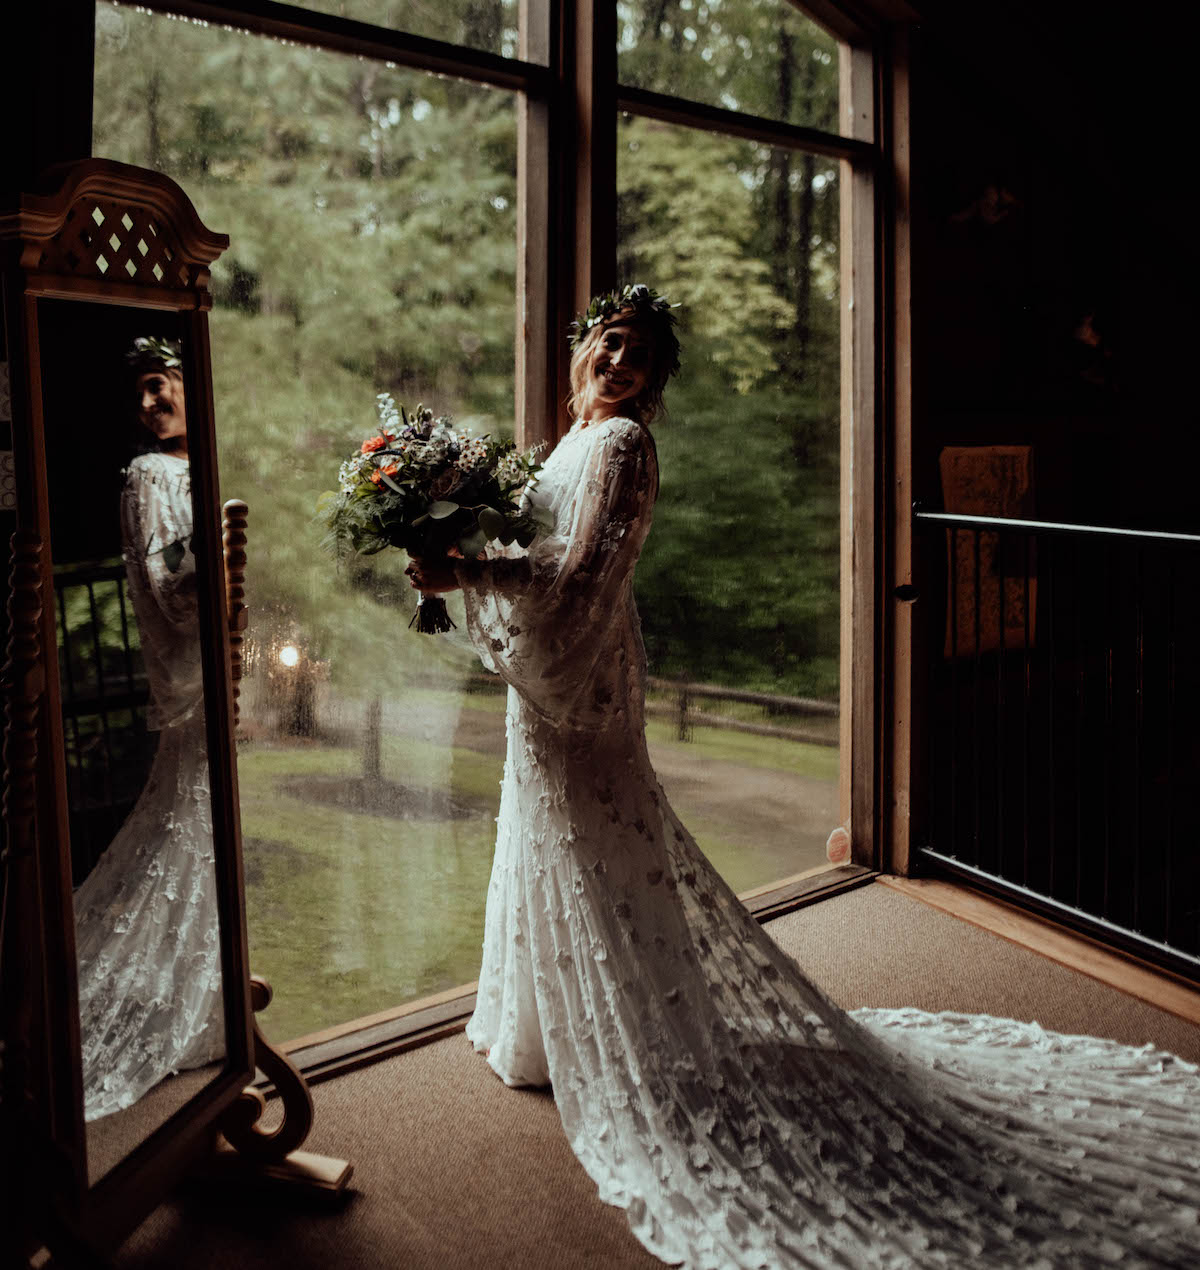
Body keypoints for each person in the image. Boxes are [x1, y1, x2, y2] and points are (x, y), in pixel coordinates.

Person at [408, 283, 1197, 1269]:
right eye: (610, 344)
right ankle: (544, 1023)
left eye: (640, 357)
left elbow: (580, 580)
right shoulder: (567, 442)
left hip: (584, 675)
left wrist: (467, 579)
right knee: (555, 833)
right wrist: (457, 544)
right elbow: (541, 552)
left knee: (602, 840)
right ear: (580, 352)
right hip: (555, 675)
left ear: (653, 383)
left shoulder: (621, 447)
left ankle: (635, 1035)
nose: (620, 364)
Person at [73, 338, 224, 1122]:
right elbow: (167, 587)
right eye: (139, 391)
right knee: (191, 818)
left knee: (211, 827)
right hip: (194, 668)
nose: (148, 402)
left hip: (228, 666)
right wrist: (224, 556)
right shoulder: (150, 475)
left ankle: (215, 994)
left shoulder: (205, 466)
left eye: (159, 385)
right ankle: (191, 1003)